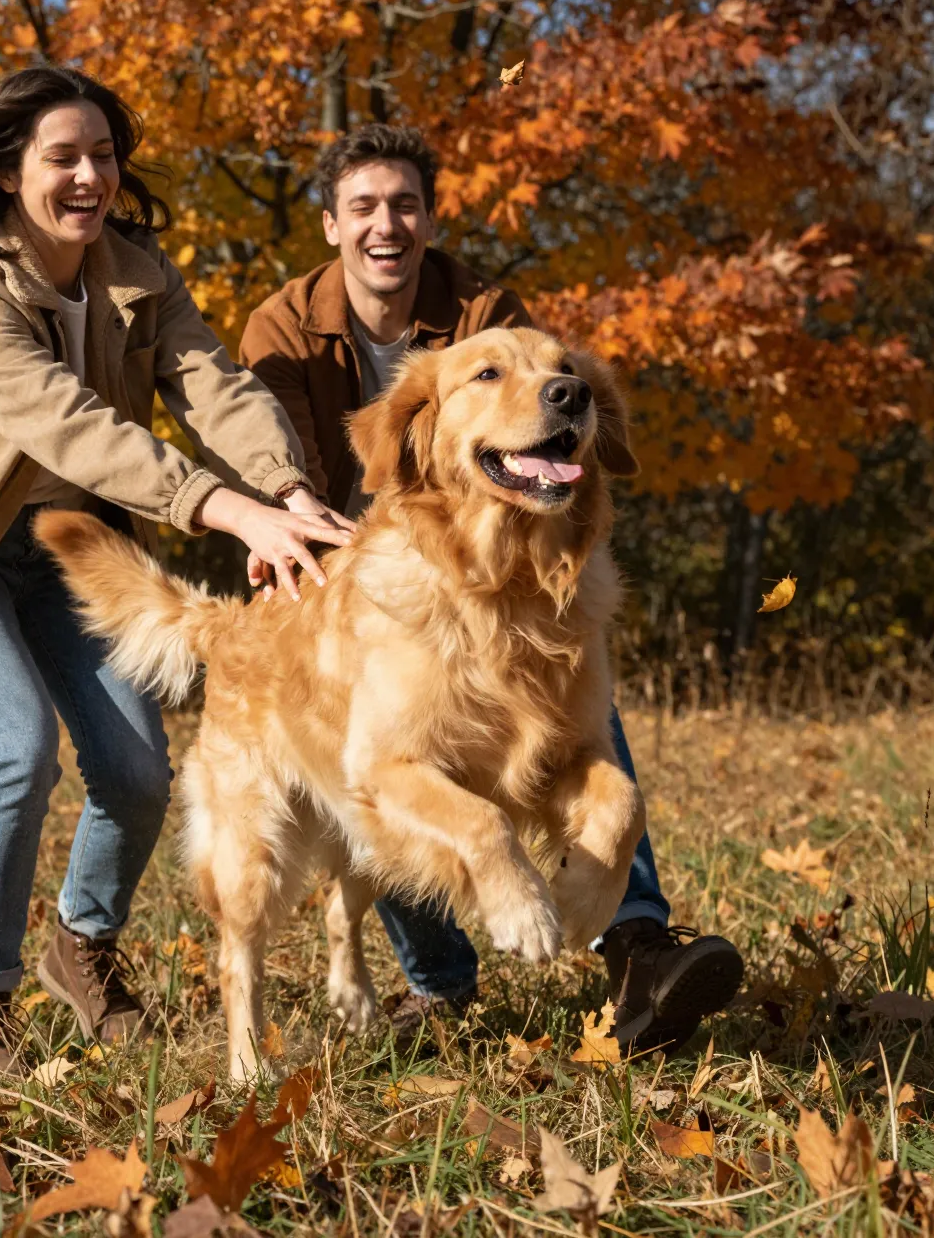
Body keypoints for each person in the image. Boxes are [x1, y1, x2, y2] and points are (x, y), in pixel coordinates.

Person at [0, 68, 352, 1079]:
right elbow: (68, 426)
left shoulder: (138, 274)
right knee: (17, 748)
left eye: (104, 156)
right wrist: (223, 508)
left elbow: (213, 384)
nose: (89, 176)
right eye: (62, 157)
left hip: (73, 554)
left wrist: (284, 490)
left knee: (135, 772)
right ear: (6, 171)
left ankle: (80, 947)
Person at [239, 123, 743, 1056]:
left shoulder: (487, 312)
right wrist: (299, 524)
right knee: (384, 751)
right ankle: (440, 984)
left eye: (404, 205)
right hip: (356, 561)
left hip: (507, 569)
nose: (385, 224)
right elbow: (277, 459)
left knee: (577, 711)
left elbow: (544, 412)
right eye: (364, 208)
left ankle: (635, 945)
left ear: (428, 220)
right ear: (330, 225)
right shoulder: (280, 328)